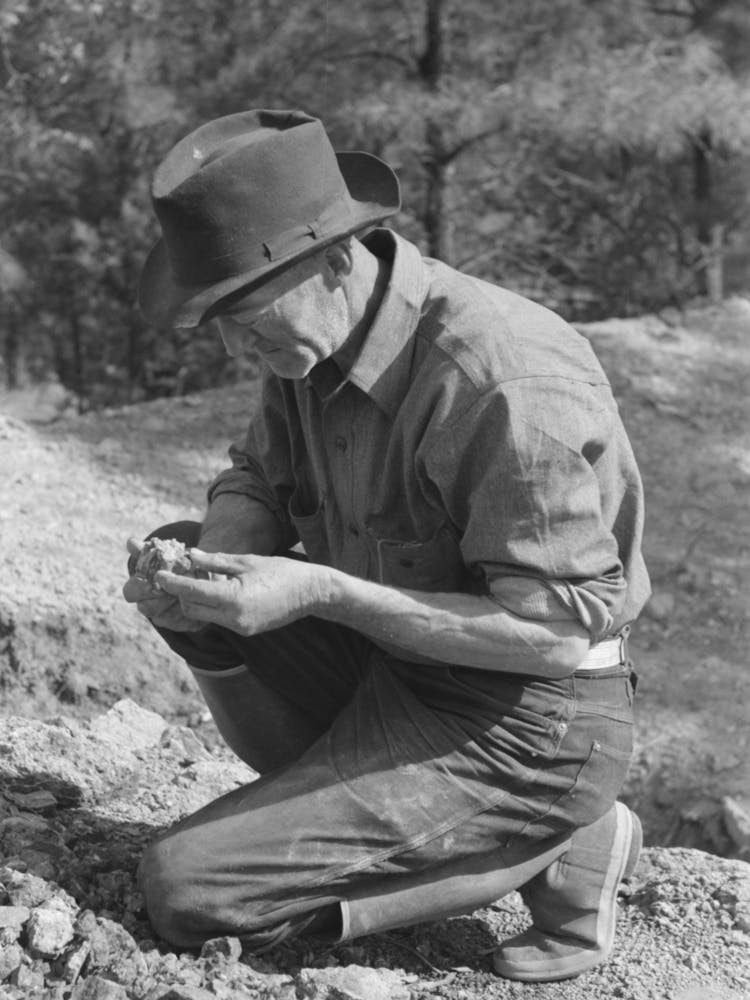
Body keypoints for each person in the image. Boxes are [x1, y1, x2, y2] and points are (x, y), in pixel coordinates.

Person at [123, 108, 651, 983]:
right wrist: (209, 566)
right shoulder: (310, 342)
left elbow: (555, 634)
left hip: (532, 716)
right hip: (398, 665)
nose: (231, 345)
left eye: (243, 314)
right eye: (213, 320)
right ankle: (389, 801)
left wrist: (321, 593)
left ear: (335, 261)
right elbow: (258, 478)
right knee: (191, 559)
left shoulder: (500, 379)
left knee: (185, 891)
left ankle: (557, 832)